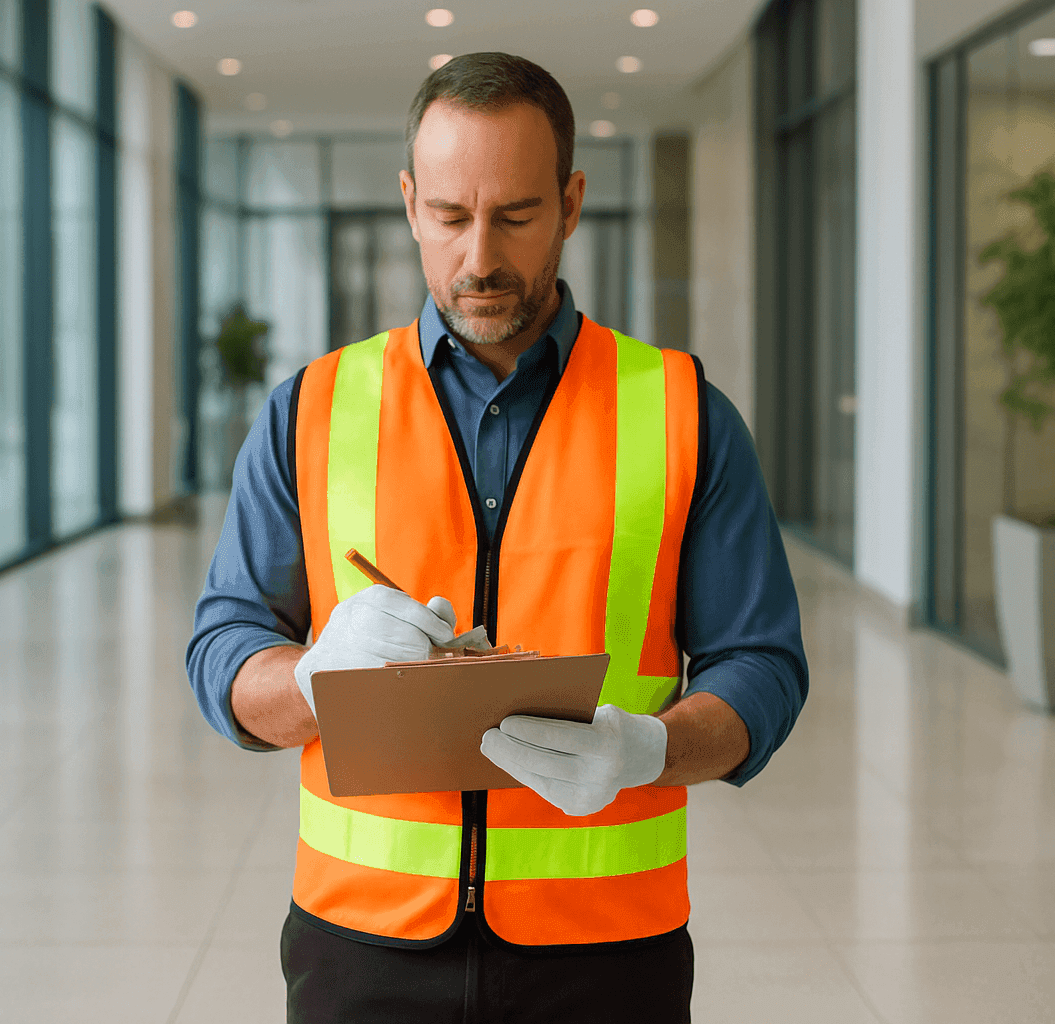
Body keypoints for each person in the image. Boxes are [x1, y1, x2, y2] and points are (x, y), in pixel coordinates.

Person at [187, 52, 807, 1024]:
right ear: (408, 201)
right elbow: (220, 657)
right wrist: (312, 679)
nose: (480, 256)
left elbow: (762, 667)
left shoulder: (683, 412)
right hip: (365, 946)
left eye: (516, 215)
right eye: (449, 215)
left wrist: (650, 748)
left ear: (571, 202)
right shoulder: (311, 411)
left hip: (606, 947)